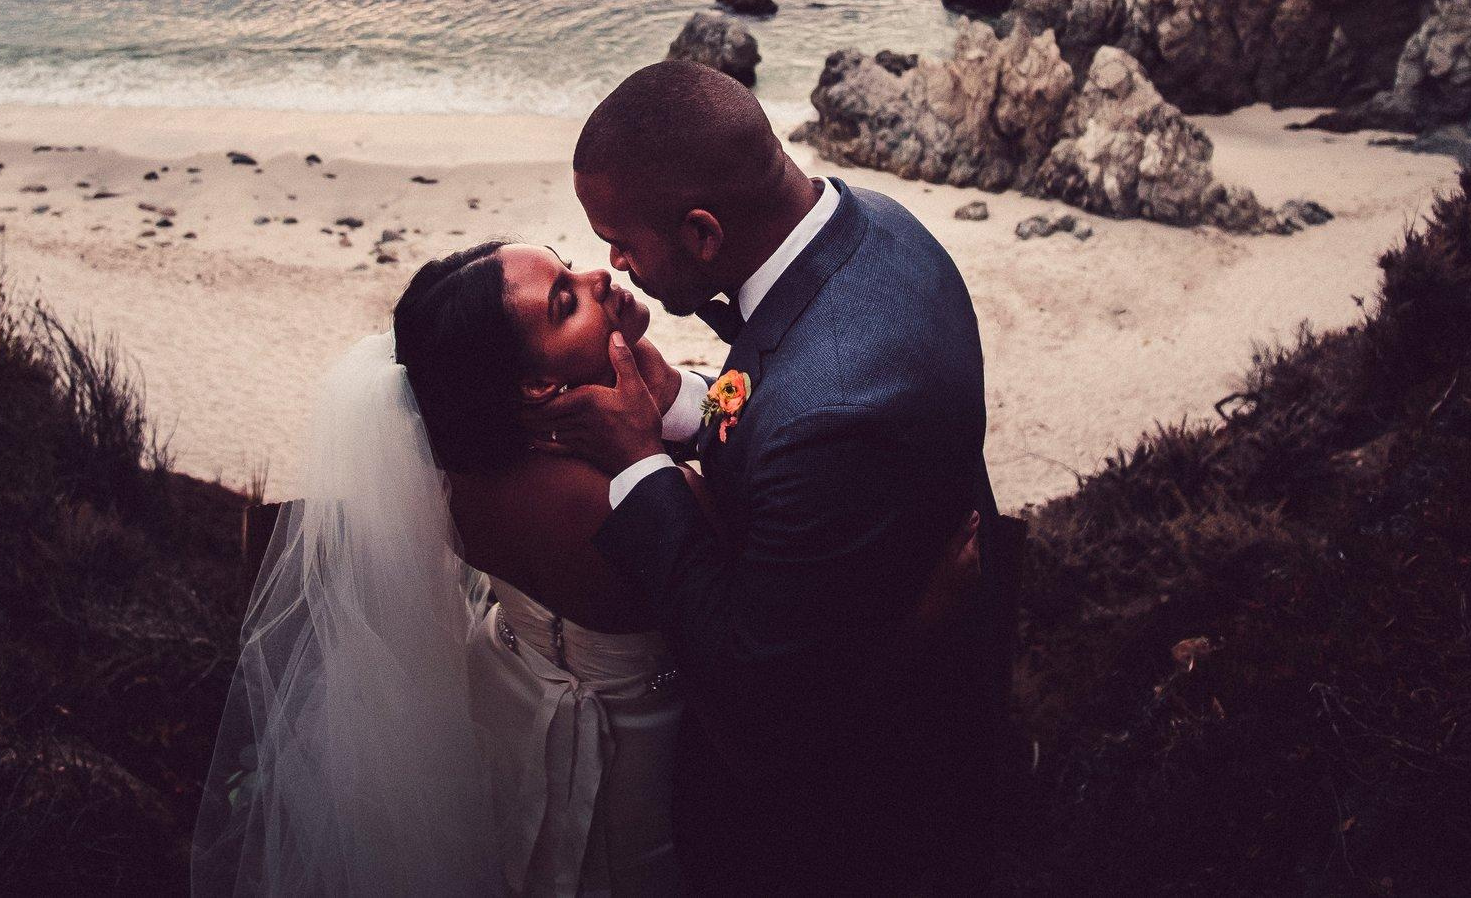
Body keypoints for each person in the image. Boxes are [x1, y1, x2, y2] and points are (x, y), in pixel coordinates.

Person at [192, 230, 984, 898]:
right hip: (632, 770)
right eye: (566, 300)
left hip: (504, 709)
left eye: (567, 267)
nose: (598, 275)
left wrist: (635, 357)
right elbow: (784, 646)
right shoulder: (605, 498)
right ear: (539, 384)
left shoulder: (466, 459)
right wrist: (914, 621)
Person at [522, 59, 1004, 896]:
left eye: (624, 239)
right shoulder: (876, 224)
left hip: (846, 826)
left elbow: (757, 713)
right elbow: (776, 391)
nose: (614, 261)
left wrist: (641, 464)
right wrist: (671, 397)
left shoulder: (837, 414)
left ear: (704, 233)